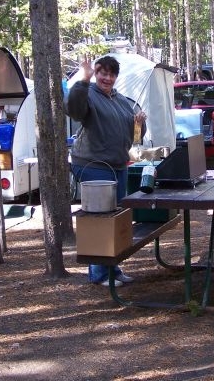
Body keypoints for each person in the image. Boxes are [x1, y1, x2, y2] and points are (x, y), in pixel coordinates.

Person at [64, 55, 147, 287]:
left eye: (111, 74)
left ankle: (113, 267)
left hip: (117, 165)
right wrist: (83, 80)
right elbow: (75, 112)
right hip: (92, 165)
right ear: (96, 74)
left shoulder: (120, 101)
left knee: (114, 218)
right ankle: (100, 274)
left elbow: (135, 138)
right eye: (102, 73)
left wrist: (139, 123)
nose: (107, 78)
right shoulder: (87, 93)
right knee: (101, 220)